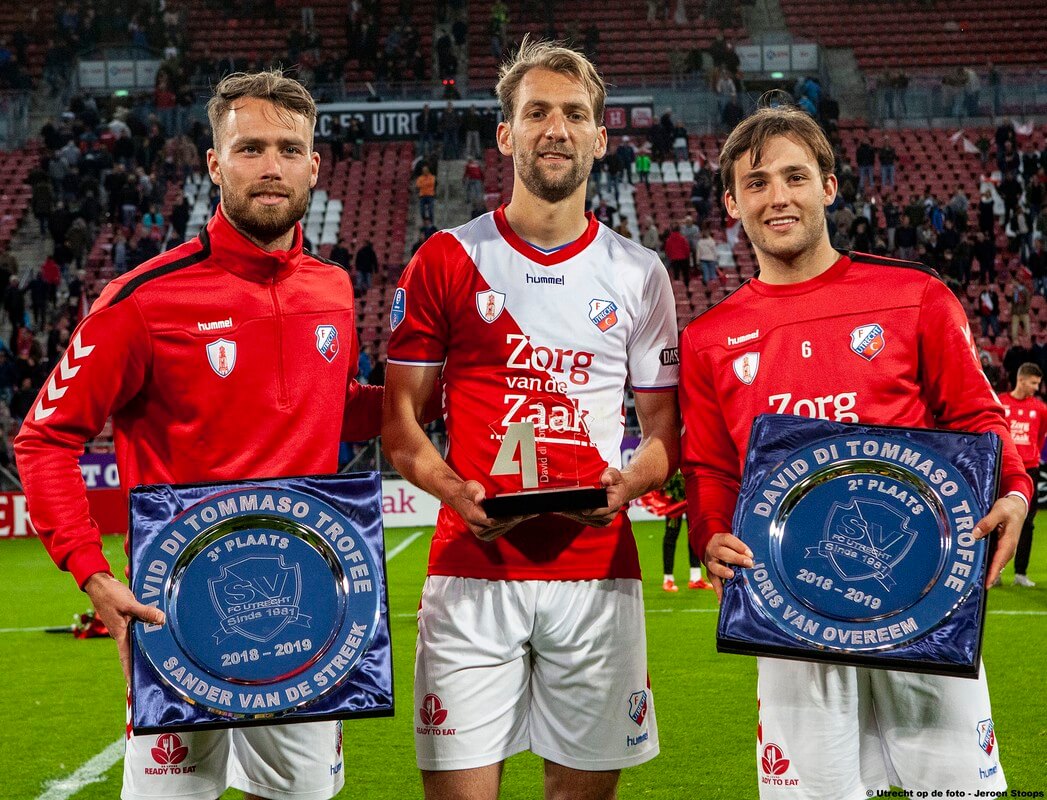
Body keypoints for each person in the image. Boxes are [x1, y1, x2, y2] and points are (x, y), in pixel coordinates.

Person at [14, 69, 384, 800]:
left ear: (315, 164)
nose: (270, 166)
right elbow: (45, 438)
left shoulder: (332, 288)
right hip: (176, 616)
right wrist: (93, 575)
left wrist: (428, 392)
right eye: (249, 148)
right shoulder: (142, 300)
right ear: (214, 164)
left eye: (288, 148)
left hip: (309, 614)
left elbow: (326, 410)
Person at [678, 104, 1030, 799]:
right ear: (730, 202)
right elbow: (712, 466)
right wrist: (709, 533)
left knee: (960, 792)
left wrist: (1014, 491)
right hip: (790, 604)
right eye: (755, 183)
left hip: (922, 593)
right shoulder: (708, 338)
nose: (776, 196)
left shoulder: (913, 297)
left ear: (829, 187)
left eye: (793, 177)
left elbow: (976, 415)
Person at [382, 38, 679, 800]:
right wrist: (455, 492)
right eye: (536, 112)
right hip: (471, 575)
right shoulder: (445, 260)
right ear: (505, 135)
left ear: (599, 138)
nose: (556, 127)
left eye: (574, 114)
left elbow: (663, 436)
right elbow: (400, 426)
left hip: (597, 574)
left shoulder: (640, 273)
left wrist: (628, 483)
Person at [999, 362, 1047, 588]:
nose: (1037, 388)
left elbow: (1039, 438)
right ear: (1022, 380)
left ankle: (1020, 572)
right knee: (996, 518)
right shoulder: (1001, 402)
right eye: (1034, 383)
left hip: (1029, 470)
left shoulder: (1040, 409)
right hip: (1004, 468)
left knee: (1028, 522)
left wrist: (1032, 457)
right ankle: (994, 570)